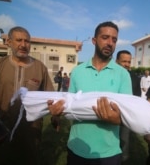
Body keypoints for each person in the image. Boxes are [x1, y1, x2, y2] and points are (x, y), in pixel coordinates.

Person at [48, 21, 132, 165]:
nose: (110, 43)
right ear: (94, 41)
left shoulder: (123, 74)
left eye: (114, 39)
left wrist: (115, 119)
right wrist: (56, 115)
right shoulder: (77, 72)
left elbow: (129, 114)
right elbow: (69, 105)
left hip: (109, 153)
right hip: (77, 149)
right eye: (105, 37)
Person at [0, 26, 54, 165]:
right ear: (9, 42)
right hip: (2, 128)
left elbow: (51, 96)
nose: (23, 45)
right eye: (19, 40)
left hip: (31, 130)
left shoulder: (40, 68)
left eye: (27, 41)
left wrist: (55, 115)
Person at [115, 49, 141, 162]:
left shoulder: (134, 78)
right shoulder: (108, 74)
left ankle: (123, 159)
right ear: (116, 61)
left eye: (129, 62)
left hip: (125, 116)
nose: (126, 64)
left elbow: (137, 97)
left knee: (124, 140)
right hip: (108, 113)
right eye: (123, 61)